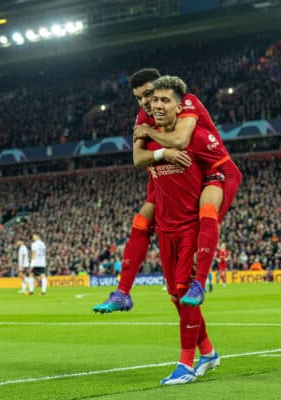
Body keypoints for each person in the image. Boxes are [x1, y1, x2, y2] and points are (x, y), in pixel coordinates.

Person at [93, 68, 241, 312]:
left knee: (206, 215)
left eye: (150, 95)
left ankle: (200, 283)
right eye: (139, 98)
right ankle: (122, 292)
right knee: (141, 221)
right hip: (169, 174)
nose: (146, 103)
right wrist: (163, 153)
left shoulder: (187, 102)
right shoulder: (143, 114)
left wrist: (151, 135)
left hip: (205, 171)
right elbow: (138, 158)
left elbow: (182, 140)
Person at [143, 75, 228, 384]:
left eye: (166, 100)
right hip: (165, 230)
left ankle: (186, 364)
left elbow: (227, 171)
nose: (158, 105)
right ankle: (208, 352)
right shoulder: (149, 140)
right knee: (176, 298)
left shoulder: (198, 137)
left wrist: (214, 210)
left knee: (184, 293)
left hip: (190, 228)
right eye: (155, 101)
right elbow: (141, 162)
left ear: (181, 107)